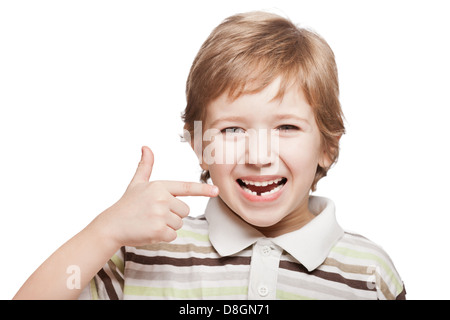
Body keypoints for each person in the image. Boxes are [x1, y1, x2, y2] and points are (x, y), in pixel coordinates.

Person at [13, 11, 406, 300]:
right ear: (200, 147)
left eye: (286, 127)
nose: (258, 155)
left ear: (328, 145)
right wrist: (105, 231)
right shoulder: (146, 252)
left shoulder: (368, 273)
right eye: (233, 129)